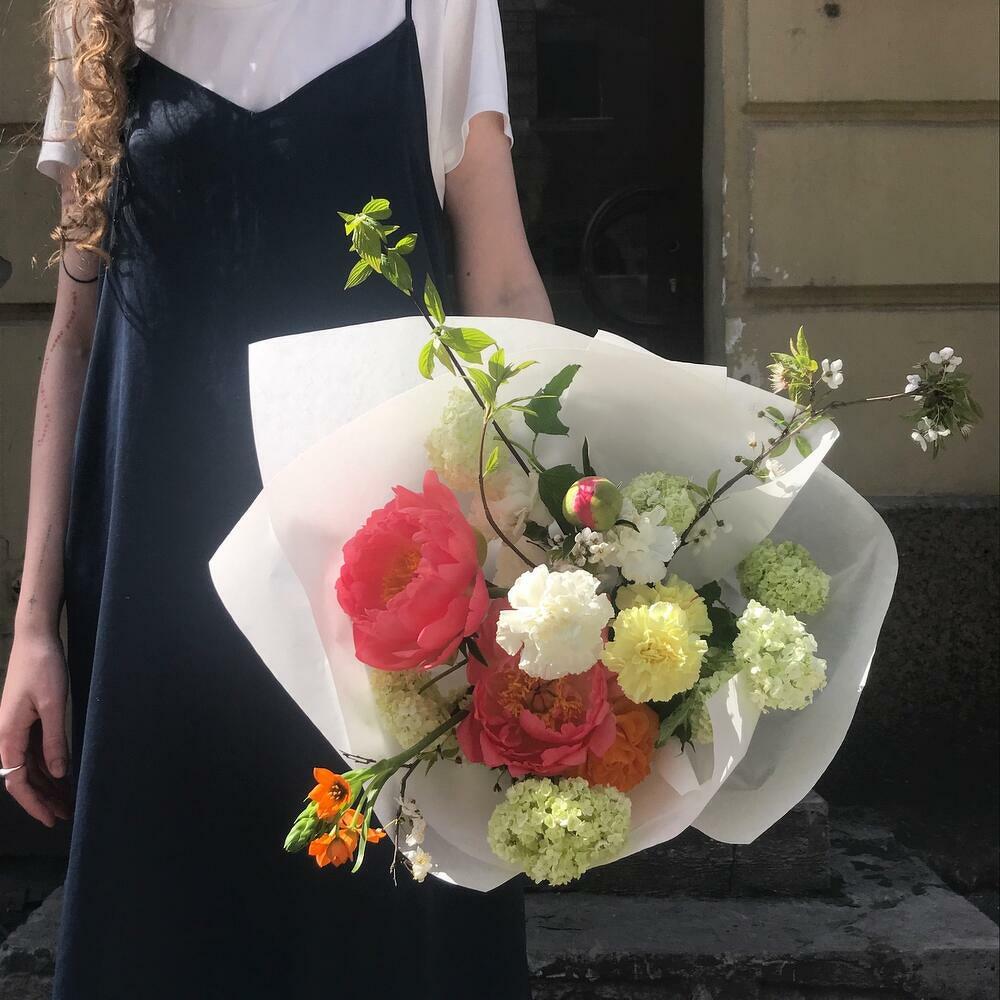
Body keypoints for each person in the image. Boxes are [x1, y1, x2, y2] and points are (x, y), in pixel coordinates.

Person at [0, 1, 552, 996]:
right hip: (158, 597)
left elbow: (504, 293)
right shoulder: (102, 21)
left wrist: (546, 567)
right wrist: (34, 626)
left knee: (386, 942)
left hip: (385, 598)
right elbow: (76, 340)